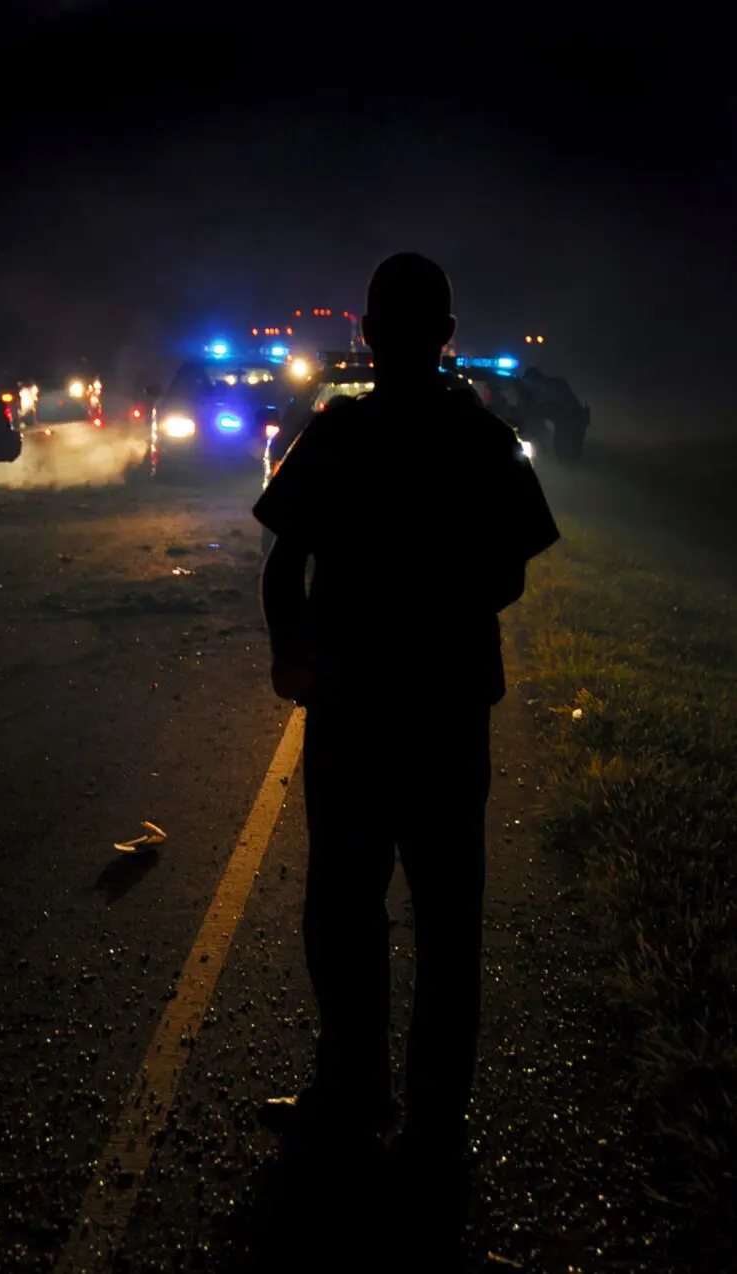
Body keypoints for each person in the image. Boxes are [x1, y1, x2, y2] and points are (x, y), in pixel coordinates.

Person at [252, 254, 560, 1170]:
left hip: (351, 711)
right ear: (447, 338)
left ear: (367, 334)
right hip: (447, 712)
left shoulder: (336, 434)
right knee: (447, 920)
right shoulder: (480, 438)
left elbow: (280, 567)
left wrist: (293, 651)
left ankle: (350, 1094)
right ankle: (433, 1124)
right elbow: (510, 570)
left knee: (342, 911)